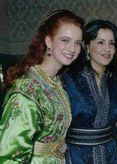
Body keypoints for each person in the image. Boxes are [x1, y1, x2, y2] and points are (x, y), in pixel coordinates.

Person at [0, 9, 85, 163]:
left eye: (77, 43)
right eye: (65, 40)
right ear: (49, 41)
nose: (73, 49)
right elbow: (9, 155)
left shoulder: (57, 82)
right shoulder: (28, 88)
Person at [62, 19, 117, 164]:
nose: (107, 49)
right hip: (77, 155)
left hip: (111, 154)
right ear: (87, 46)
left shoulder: (115, 80)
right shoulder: (68, 78)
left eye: (112, 43)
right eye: (100, 42)